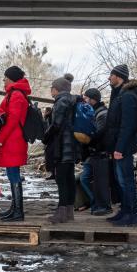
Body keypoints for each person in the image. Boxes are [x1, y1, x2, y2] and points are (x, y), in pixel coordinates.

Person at [102, 65, 137, 227]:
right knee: (120, 180)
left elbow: (128, 125)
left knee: (126, 181)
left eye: (111, 75)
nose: (109, 78)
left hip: (123, 146)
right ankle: (124, 211)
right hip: (117, 145)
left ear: (118, 77)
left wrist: (119, 148)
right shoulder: (119, 94)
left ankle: (131, 214)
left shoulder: (128, 96)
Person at [0, 66, 32, 222]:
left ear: (11, 78)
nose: (4, 80)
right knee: (11, 174)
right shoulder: (15, 93)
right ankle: (14, 209)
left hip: (13, 140)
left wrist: (1, 139)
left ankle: (18, 212)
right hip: (13, 139)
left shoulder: (16, 94)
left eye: (5, 77)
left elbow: (13, 120)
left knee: (14, 174)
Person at [43, 73, 79, 224]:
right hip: (72, 145)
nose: (51, 90)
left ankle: (61, 212)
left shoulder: (61, 101)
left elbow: (56, 124)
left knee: (62, 179)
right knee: (69, 178)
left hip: (62, 145)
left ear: (56, 89)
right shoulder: (72, 100)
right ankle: (69, 212)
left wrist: (45, 135)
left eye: (52, 88)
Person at [79, 87, 111, 216]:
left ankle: (103, 206)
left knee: (100, 181)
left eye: (86, 98)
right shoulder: (93, 112)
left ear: (93, 99)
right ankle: (94, 203)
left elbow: (100, 133)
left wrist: (86, 137)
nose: (84, 100)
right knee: (85, 178)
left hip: (100, 152)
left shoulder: (102, 113)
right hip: (93, 152)